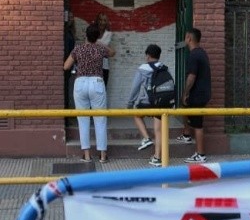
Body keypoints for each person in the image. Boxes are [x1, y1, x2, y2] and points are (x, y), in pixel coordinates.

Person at [63, 23, 114, 163]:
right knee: (100, 119)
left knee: (83, 120)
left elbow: (66, 66)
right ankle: (103, 156)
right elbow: (112, 52)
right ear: (97, 37)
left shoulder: (78, 49)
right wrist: (99, 42)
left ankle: (86, 155)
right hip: (97, 83)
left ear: (85, 35)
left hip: (80, 83)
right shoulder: (100, 48)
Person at [126, 44, 173, 166]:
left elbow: (135, 88)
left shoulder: (143, 68)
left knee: (136, 114)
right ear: (158, 56)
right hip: (161, 102)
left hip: (147, 102)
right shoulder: (164, 68)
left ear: (147, 55)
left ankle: (146, 138)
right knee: (158, 130)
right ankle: (157, 158)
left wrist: (130, 103)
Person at [177, 28, 211, 164]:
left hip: (198, 95)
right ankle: (186, 134)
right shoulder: (201, 53)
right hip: (202, 93)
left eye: (185, 37)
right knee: (184, 107)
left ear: (189, 38)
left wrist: (185, 92)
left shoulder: (193, 55)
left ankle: (201, 154)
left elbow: (191, 76)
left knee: (197, 124)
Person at [95, 13, 113, 86]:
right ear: (97, 20)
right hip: (93, 66)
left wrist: (96, 42)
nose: (102, 22)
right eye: (100, 20)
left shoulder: (108, 34)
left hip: (104, 66)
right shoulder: (92, 31)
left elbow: (106, 49)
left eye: (104, 20)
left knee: (103, 89)